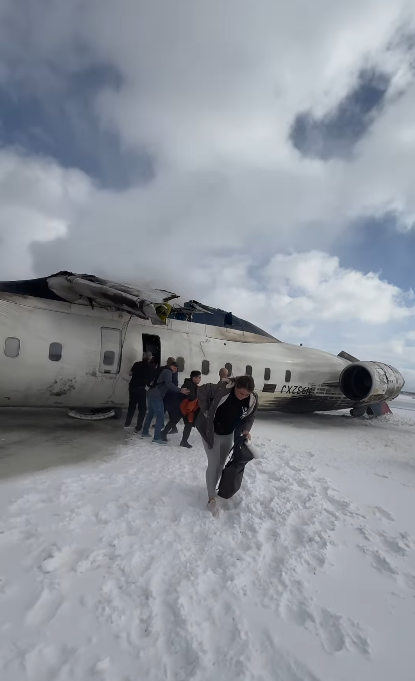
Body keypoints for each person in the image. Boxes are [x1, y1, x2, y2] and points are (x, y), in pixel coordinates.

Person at [196, 375, 258, 514]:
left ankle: (213, 488)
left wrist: (246, 430)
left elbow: (250, 416)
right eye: (241, 393)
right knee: (213, 464)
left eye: (246, 394)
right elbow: (202, 390)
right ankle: (211, 499)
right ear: (235, 386)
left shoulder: (252, 398)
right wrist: (206, 410)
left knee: (220, 464)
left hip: (228, 433)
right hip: (211, 431)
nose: (243, 396)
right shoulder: (222, 389)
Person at [141, 359, 190, 445]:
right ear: (174, 367)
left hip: (151, 393)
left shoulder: (163, 369)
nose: (176, 371)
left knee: (150, 413)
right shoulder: (168, 372)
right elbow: (169, 384)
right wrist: (180, 390)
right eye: (176, 369)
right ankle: (156, 438)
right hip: (156, 396)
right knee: (160, 416)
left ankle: (145, 432)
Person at [161, 370, 201, 447]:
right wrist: (198, 397)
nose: (200, 379)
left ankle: (165, 434)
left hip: (183, 407)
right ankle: (182, 441)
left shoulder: (192, 385)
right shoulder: (188, 385)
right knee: (183, 423)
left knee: (177, 422)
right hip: (182, 407)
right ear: (194, 378)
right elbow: (191, 397)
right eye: (199, 378)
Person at [124, 351, 154, 432]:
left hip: (133, 386)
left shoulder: (137, 364)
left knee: (132, 406)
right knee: (142, 409)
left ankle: (127, 423)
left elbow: (130, 374)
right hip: (141, 389)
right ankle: (138, 426)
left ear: (143, 356)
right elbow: (151, 379)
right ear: (150, 358)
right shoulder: (151, 367)